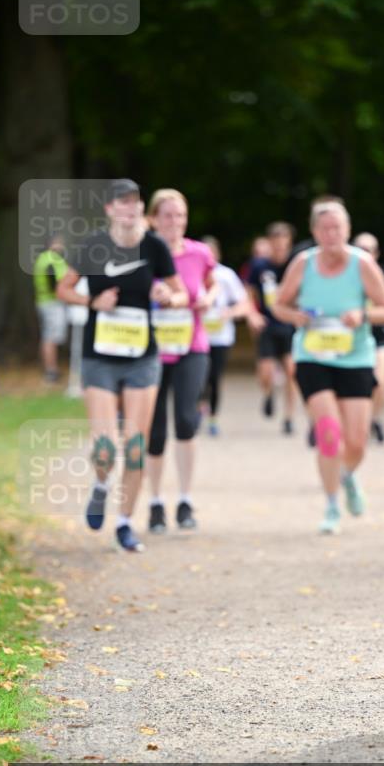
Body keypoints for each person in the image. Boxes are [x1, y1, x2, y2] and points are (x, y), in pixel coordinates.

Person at [56, 179, 188, 552]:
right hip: (100, 357)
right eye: (121, 203)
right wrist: (92, 302)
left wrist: (168, 295)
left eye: (134, 203)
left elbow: (181, 293)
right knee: (104, 448)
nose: (129, 209)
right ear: (109, 209)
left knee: (134, 445)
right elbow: (63, 289)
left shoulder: (154, 246)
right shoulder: (93, 246)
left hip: (142, 357)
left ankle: (125, 523)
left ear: (141, 208)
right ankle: (101, 485)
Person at [272, 200, 384, 534]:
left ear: (347, 230)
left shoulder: (362, 264)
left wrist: (362, 315)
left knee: (356, 442)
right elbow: (279, 305)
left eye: (337, 228)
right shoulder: (303, 263)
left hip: (355, 358)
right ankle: (331, 505)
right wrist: (295, 315)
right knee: (329, 432)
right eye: (325, 228)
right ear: (314, 232)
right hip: (312, 357)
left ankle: (346, 476)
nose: (331, 234)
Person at [145, 190, 216, 533]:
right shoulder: (142, 253)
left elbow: (212, 284)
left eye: (181, 215)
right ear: (153, 219)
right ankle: (155, 502)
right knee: (156, 429)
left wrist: (208, 299)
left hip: (192, 346)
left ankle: (185, 500)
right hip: (151, 350)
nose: (175, 222)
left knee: (187, 420)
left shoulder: (199, 253)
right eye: (168, 215)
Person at [201, 236, 255, 436]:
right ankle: (198, 409)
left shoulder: (226, 275)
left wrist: (229, 313)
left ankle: (213, 417)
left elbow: (244, 303)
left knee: (214, 377)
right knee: (198, 377)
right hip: (196, 336)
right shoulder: (192, 271)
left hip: (220, 336)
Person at [248, 221, 298, 434]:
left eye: (283, 242)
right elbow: (249, 291)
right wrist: (253, 314)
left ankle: (289, 417)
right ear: (269, 242)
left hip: (290, 324)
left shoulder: (296, 265)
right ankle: (268, 393)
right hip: (268, 325)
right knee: (266, 373)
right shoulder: (259, 266)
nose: (279, 247)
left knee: (291, 371)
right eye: (275, 242)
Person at [352, 232, 384, 443]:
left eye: (370, 249)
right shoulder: (346, 274)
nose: (366, 253)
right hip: (352, 338)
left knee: (380, 383)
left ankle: (374, 419)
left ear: (377, 253)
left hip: (380, 335)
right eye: (361, 249)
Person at [33, 234, 68, 382]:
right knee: (51, 337)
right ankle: (51, 370)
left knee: (48, 336)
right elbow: (53, 282)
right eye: (59, 243)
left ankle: (50, 368)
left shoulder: (43, 259)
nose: (62, 246)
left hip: (45, 301)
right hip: (52, 303)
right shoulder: (51, 259)